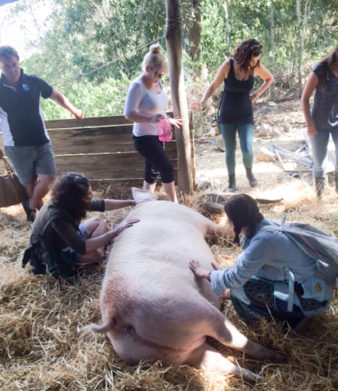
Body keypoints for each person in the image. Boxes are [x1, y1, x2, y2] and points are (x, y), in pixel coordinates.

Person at [189, 194, 333, 328]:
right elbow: (250, 267)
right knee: (248, 279)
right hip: (313, 291)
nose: (227, 222)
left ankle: (286, 322)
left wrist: (207, 274)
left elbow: (236, 279)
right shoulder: (263, 226)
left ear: (235, 220)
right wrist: (223, 275)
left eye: (229, 218)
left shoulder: (263, 240)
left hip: (309, 301)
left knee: (238, 289)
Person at [0, 46, 84, 222]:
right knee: (29, 184)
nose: (11, 69)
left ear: (18, 61)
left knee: (49, 178)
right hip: (16, 146)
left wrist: (73, 109)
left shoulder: (33, 81)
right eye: (6, 66)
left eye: (14, 64)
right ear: (1, 66)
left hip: (41, 140)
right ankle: (43, 219)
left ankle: (31, 207)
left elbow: (54, 95)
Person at [191, 39, 274, 192]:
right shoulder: (228, 65)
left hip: (245, 114)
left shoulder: (256, 66)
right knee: (230, 149)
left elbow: (270, 79)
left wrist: (256, 95)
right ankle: (232, 181)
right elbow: (213, 85)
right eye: (253, 60)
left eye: (257, 60)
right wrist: (202, 101)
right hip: (227, 114)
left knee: (247, 149)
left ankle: (250, 174)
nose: (255, 63)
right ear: (244, 56)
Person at [23, 172, 138, 278]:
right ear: (75, 198)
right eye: (88, 195)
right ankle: (96, 257)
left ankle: (98, 255)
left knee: (98, 221)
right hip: (51, 252)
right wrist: (115, 232)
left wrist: (130, 202)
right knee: (95, 255)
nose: (90, 198)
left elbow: (102, 205)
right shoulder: (58, 218)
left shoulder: (66, 200)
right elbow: (82, 247)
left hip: (66, 239)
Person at [124, 43, 182, 202]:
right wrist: (150, 119)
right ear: (147, 69)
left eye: (161, 75)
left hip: (158, 133)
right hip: (143, 138)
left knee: (152, 172)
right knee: (167, 168)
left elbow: (158, 107)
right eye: (156, 74)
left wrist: (167, 119)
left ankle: (144, 203)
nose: (158, 78)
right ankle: (174, 205)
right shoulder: (137, 86)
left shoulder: (158, 82)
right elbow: (128, 114)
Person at [301, 44, 338, 198]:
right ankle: (319, 199)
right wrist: (309, 124)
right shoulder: (321, 70)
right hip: (318, 123)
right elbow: (304, 98)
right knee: (319, 163)